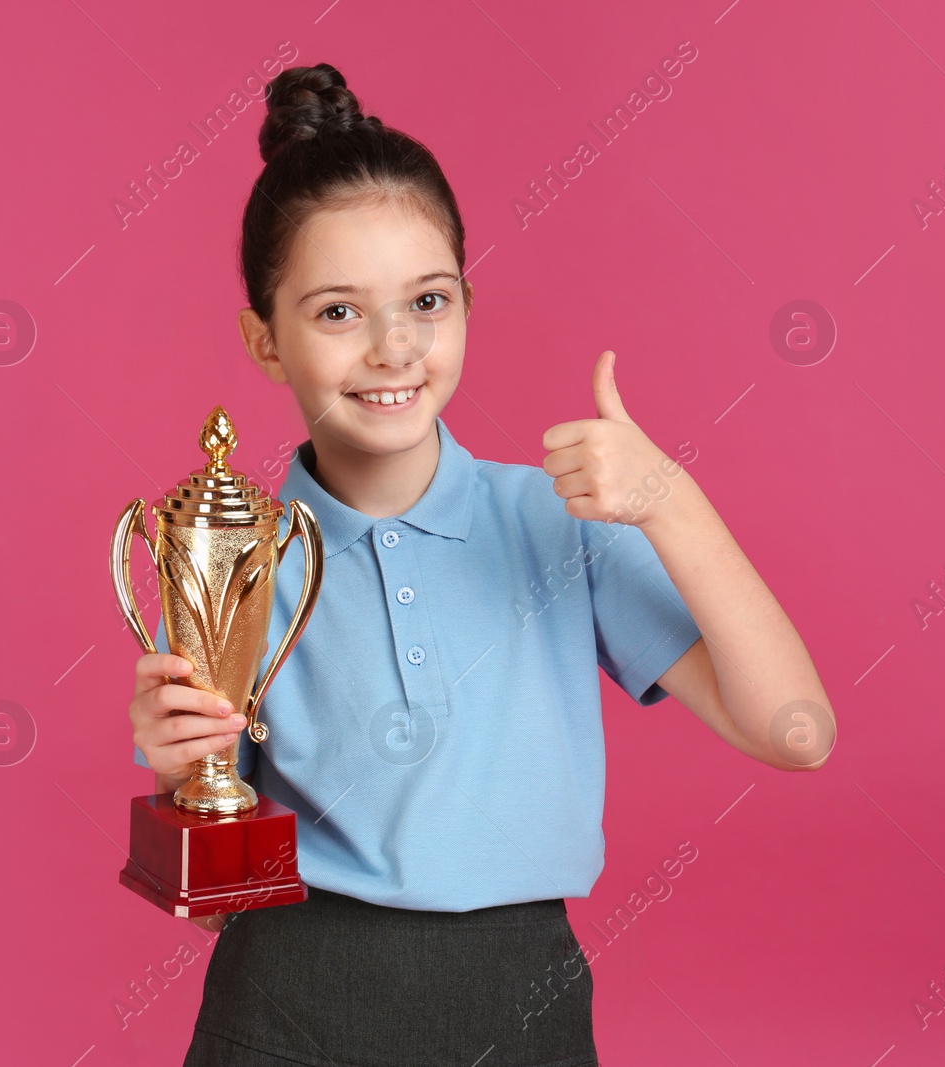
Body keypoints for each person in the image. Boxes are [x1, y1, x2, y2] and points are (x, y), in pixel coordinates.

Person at [127, 62, 836, 1067]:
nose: (391, 347)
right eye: (336, 312)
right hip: (286, 1000)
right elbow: (211, 906)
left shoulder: (556, 521)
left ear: (465, 301)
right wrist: (176, 772)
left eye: (427, 299)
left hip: (522, 1002)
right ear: (265, 340)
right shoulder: (233, 557)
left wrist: (670, 503)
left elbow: (794, 732)